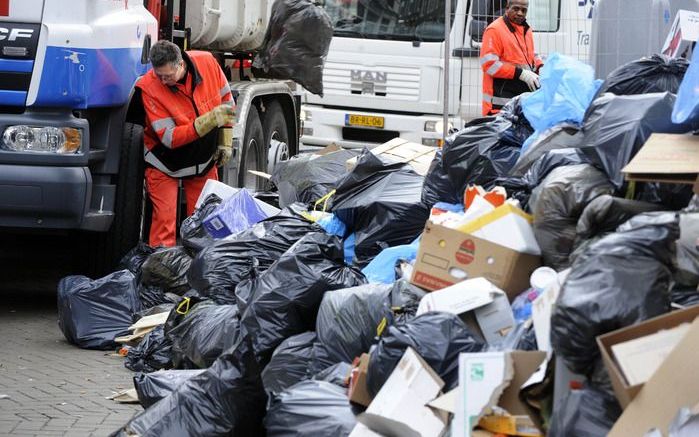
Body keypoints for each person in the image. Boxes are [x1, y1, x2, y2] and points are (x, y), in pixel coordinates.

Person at [136, 40, 235, 247]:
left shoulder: (207, 63)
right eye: (159, 75)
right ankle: (161, 270)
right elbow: (170, 139)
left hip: (202, 158)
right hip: (164, 162)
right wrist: (206, 122)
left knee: (204, 222)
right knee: (165, 222)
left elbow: (226, 102)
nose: (163, 81)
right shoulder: (148, 87)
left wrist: (225, 140)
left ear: (181, 64)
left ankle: (199, 270)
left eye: (168, 76)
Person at [479, 0, 543, 115]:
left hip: (519, 104)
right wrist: (521, 73)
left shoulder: (526, 30)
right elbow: (489, 64)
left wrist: (540, 66)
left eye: (524, 10)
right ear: (507, 7)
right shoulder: (495, 30)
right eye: (516, 9)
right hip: (499, 105)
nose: (520, 13)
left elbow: (531, 54)